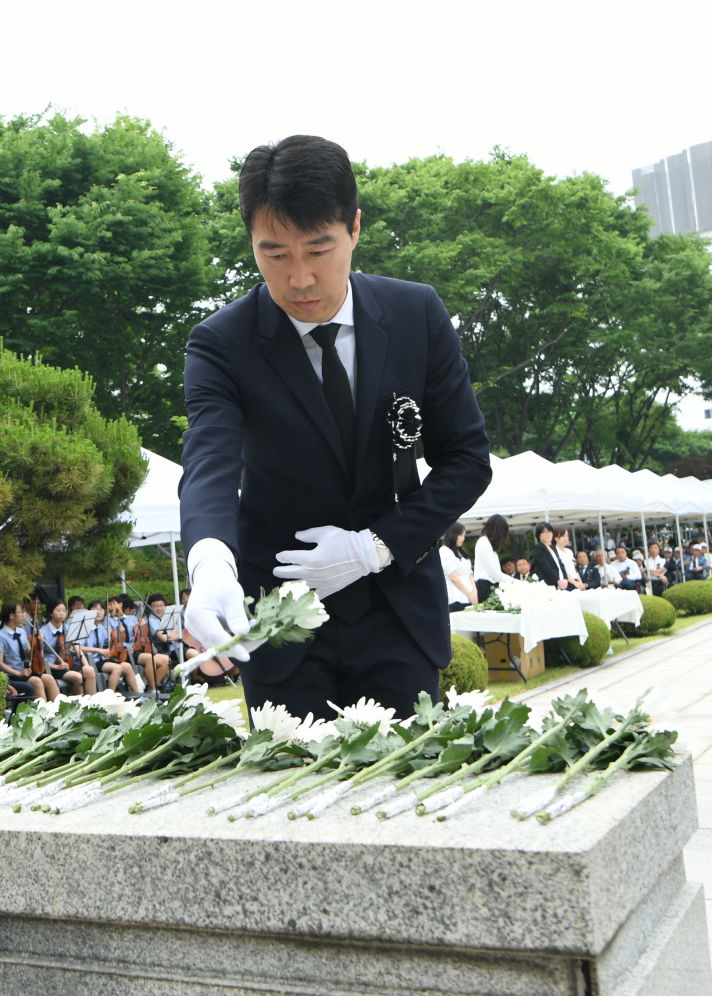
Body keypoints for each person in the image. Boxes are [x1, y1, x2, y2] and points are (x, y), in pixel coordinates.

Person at [178, 135, 490, 721]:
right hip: (282, 621)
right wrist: (210, 561)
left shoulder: (415, 314)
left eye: (318, 250)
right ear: (251, 243)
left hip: (398, 609)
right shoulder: (221, 343)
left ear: (355, 229)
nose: (300, 279)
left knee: (405, 791)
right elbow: (210, 462)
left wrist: (373, 547)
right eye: (275, 255)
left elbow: (467, 461)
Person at [0, 602, 59, 702]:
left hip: (24, 671)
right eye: (20, 612)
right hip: (13, 674)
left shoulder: (21, 632)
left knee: (49, 678)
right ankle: (43, 713)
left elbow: (29, 653)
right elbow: (0, 662)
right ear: (11, 615)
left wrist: (38, 642)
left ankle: (58, 710)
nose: (23, 614)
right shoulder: (0, 636)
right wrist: (18, 673)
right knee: (36, 681)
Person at [39, 602, 96, 695]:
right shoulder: (42, 632)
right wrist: (57, 666)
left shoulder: (69, 628)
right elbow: (40, 659)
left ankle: (93, 702)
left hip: (69, 663)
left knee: (90, 670)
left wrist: (86, 664)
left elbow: (77, 648)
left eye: (64, 611)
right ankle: (81, 704)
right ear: (50, 613)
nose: (62, 613)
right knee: (78, 677)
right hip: (54, 667)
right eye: (58, 610)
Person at [136, 593, 177, 692]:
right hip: (161, 649)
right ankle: (153, 688)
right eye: (156, 606)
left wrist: (174, 635)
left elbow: (176, 630)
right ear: (150, 607)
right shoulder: (149, 620)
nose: (159, 608)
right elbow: (162, 637)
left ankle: (152, 688)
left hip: (173, 646)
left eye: (161, 605)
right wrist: (173, 636)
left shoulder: (167, 617)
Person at [470, 515, 508, 604]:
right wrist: (513, 581)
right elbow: (493, 572)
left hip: (490, 585)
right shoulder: (484, 542)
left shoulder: (488, 544)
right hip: (485, 586)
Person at [440, 523, 477, 611]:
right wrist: (469, 593)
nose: (463, 538)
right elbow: (453, 577)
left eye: (464, 535)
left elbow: (470, 574)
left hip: (469, 597)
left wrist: (475, 592)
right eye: (460, 535)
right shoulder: (444, 551)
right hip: (455, 598)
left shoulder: (461, 552)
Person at [529, 523, 569, 589]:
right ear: (539, 535)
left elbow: (560, 564)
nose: (547, 534)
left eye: (549, 531)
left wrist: (565, 578)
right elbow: (545, 566)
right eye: (544, 532)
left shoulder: (553, 548)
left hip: (561, 581)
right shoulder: (539, 548)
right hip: (549, 583)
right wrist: (557, 580)